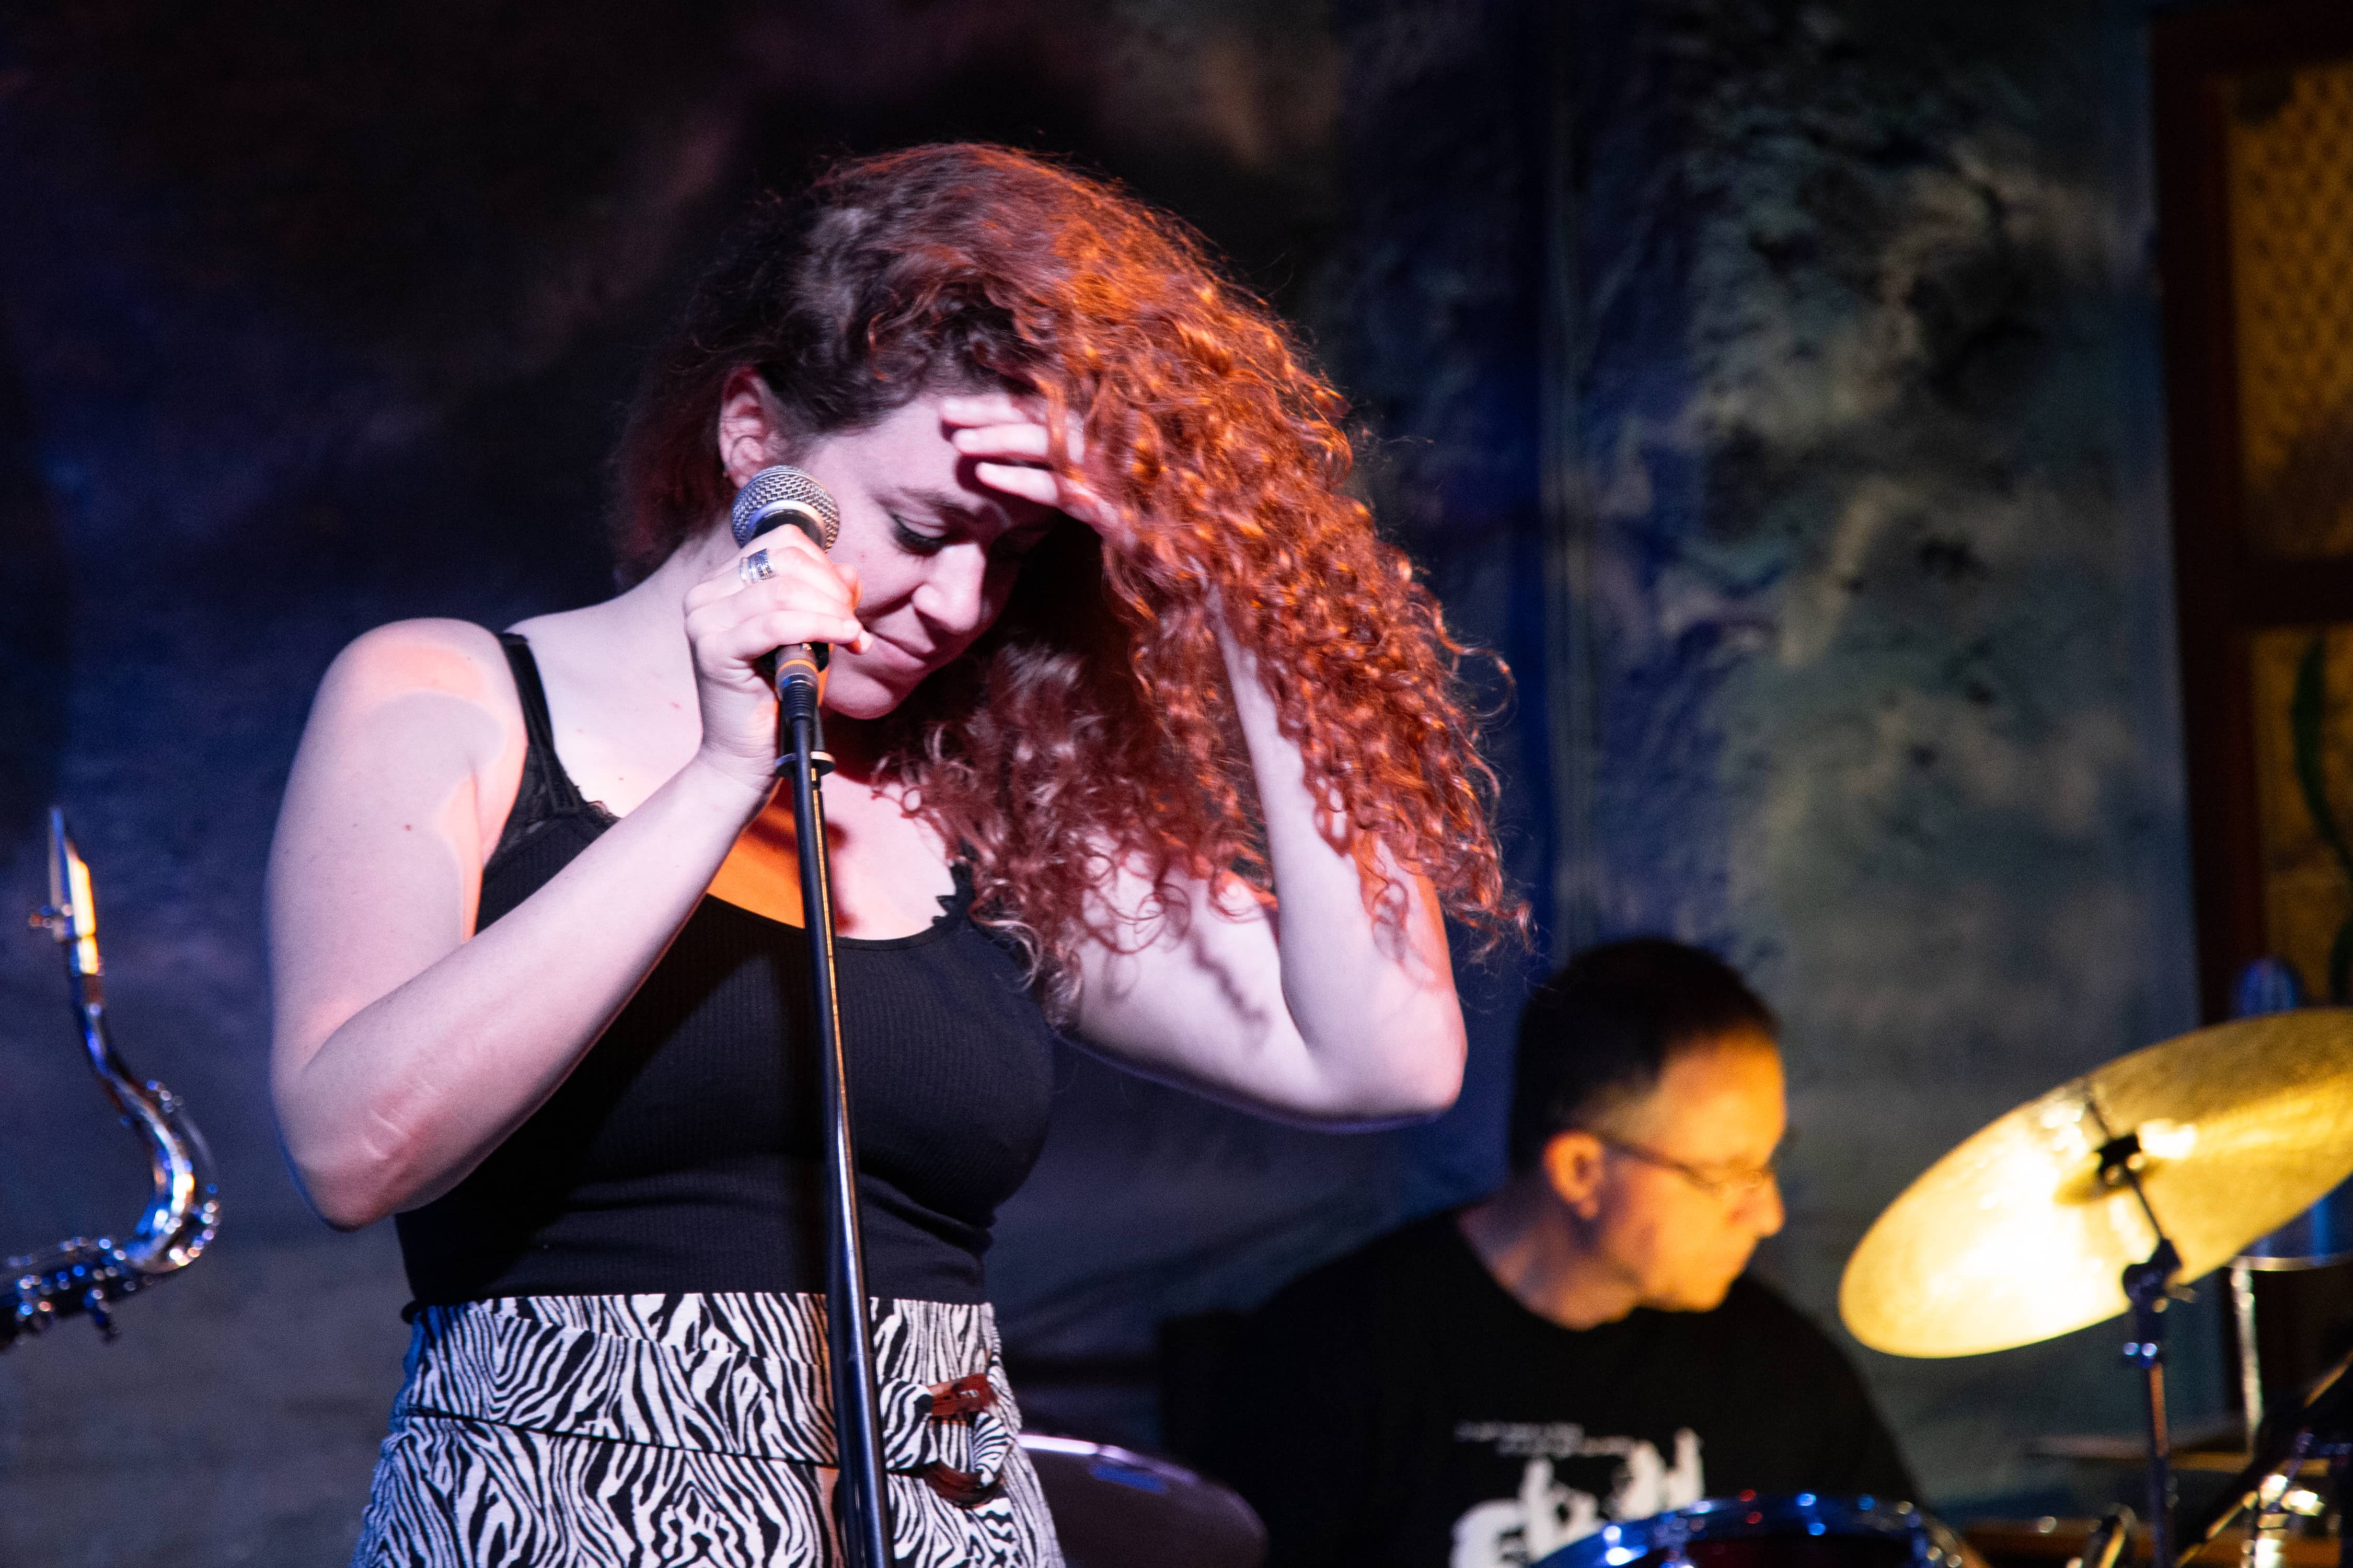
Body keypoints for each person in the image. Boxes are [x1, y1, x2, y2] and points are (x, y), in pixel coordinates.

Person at [265, 143, 1519, 1568]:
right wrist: (726, 773)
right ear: (753, 439)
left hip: (942, 1518)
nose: (962, 601)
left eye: (1016, 553)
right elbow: (357, 1145)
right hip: (557, 1518)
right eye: (925, 530)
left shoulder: (981, 805)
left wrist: (1241, 592)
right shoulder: (450, 697)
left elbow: (1383, 1057)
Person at [1204, 938, 1914, 1568]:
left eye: (1768, 1164)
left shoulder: (1780, 1367)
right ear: (1580, 1171)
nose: (1766, 1214)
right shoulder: (1332, 1355)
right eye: (1726, 1174)